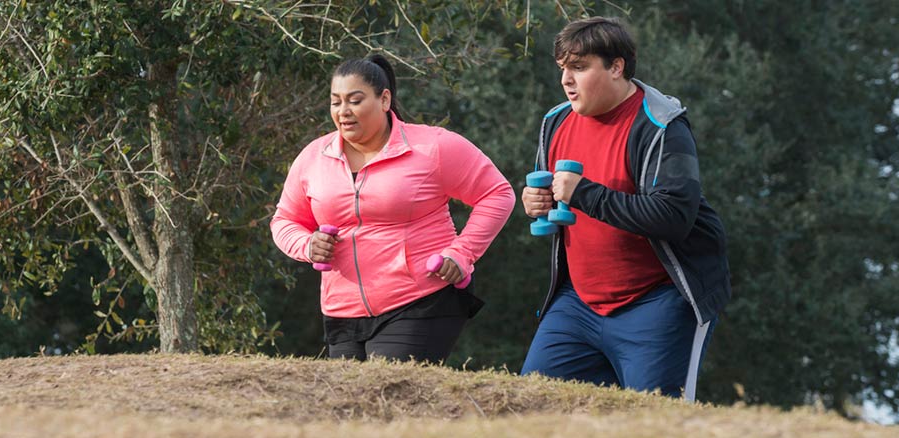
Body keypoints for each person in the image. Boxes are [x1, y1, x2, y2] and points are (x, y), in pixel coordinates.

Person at [519, 17, 731, 401]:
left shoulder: (663, 126)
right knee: (527, 405)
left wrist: (583, 193)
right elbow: (553, 193)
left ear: (617, 67)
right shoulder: (555, 121)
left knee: (654, 429)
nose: (566, 80)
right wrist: (537, 202)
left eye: (579, 68)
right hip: (578, 304)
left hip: (658, 304)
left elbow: (672, 217)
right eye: (563, 69)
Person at [271, 55, 515, 363]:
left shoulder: (432, 146)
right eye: (336, 102)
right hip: (341, 310)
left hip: (420, 299)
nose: (344, 112)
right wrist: (308, 245)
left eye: (355, 100)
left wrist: (462, 253)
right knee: (348, 404)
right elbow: (285, 220)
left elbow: (497, 193)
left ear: (384, 99)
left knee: (388, 394)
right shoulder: (313, 157)